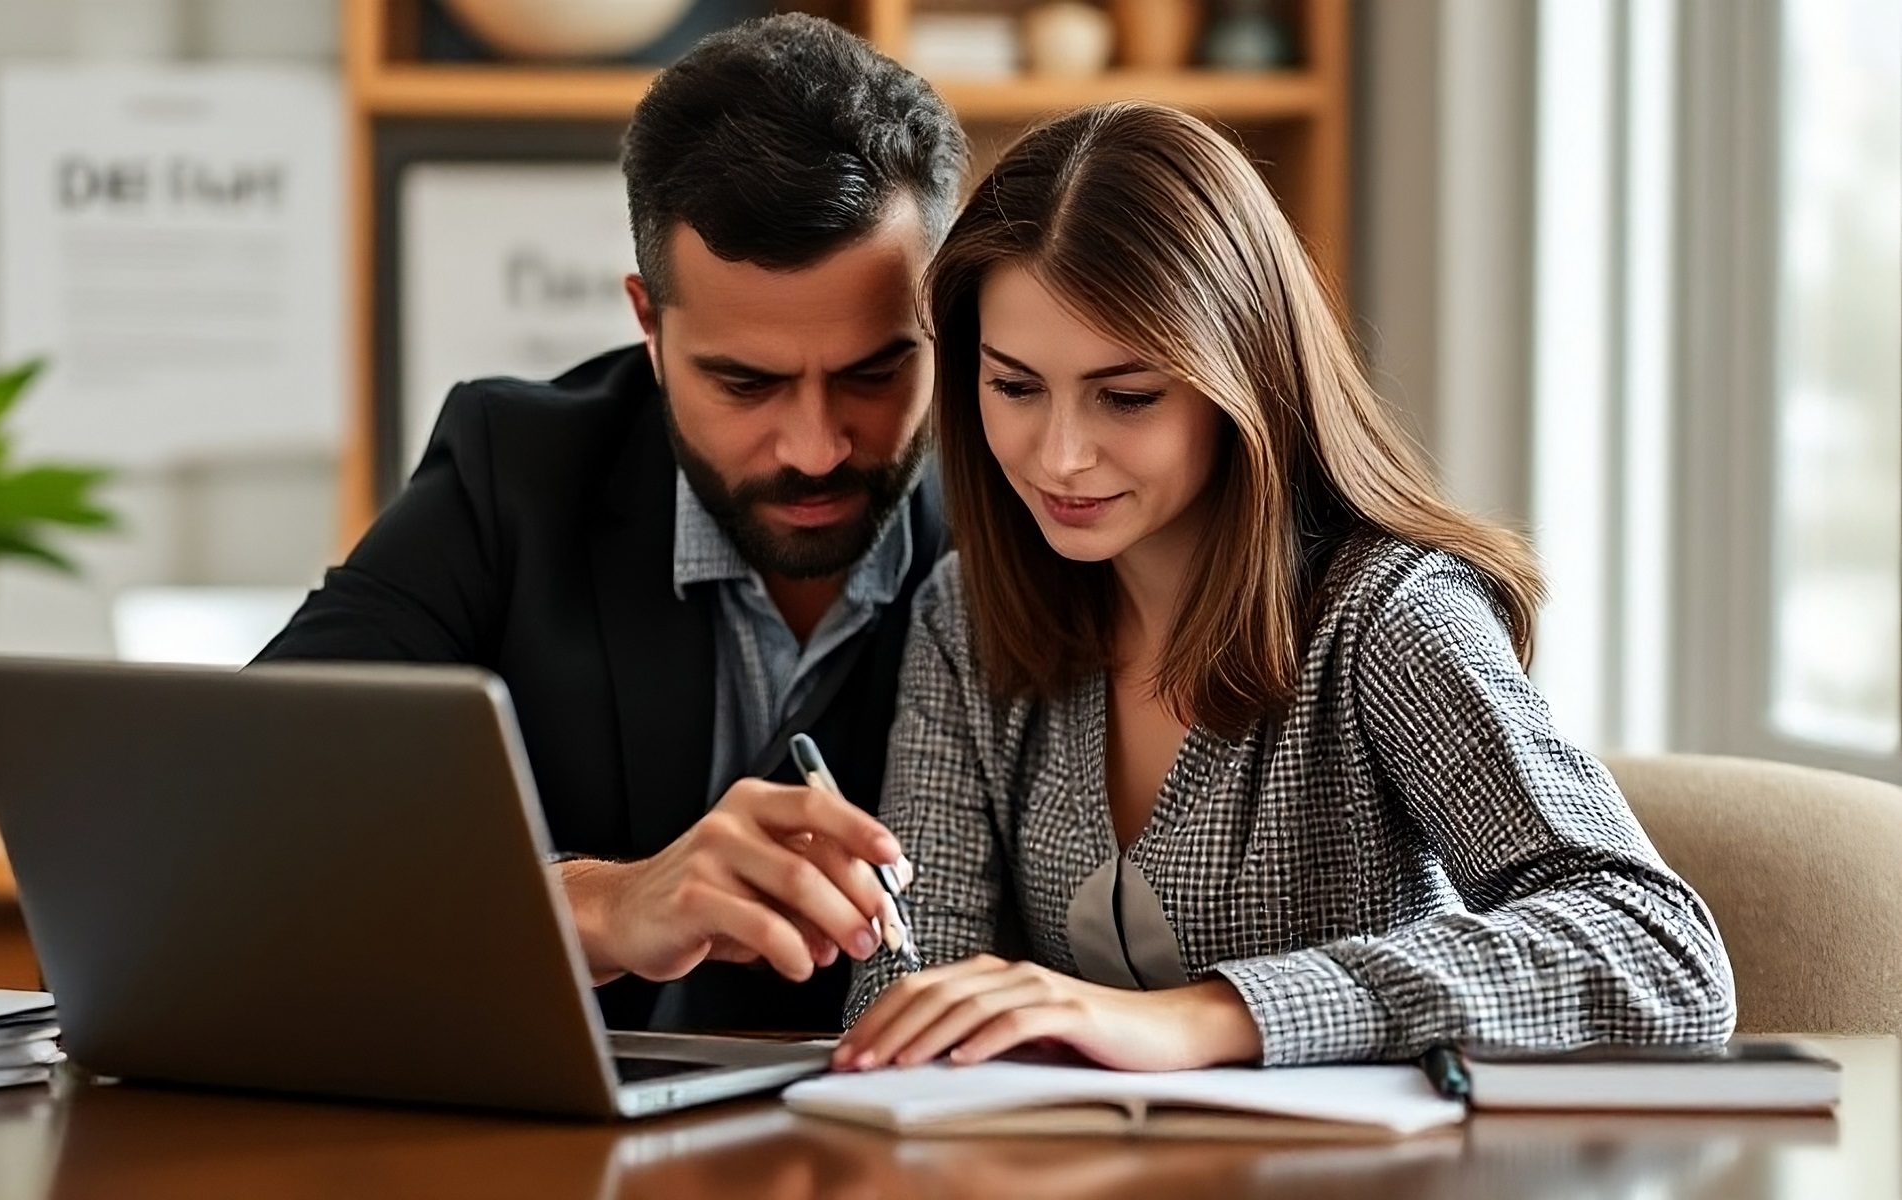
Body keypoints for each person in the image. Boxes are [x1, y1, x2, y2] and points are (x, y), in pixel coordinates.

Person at [836, 102, 1736, 1071]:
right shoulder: (964, 616)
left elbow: (1661, 951)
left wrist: (1211, 1017)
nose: (1058, 457)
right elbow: (908, 982)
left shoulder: (1386, 614)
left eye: (1127, 397)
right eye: (1014, 387)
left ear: (1243, 381)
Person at [256, 15, 966, 1034]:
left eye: (872, 371)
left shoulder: (1036, 514)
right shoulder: (516, 471)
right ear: (648, 320)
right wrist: (598, 904)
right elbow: (257, 812)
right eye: (744, 381)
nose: (814, 447)